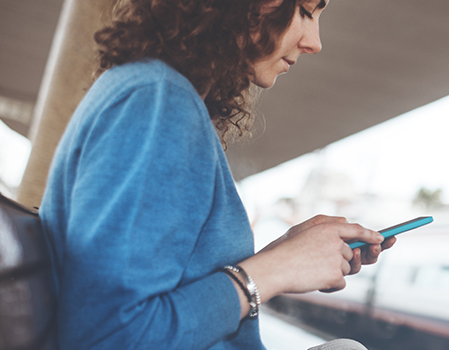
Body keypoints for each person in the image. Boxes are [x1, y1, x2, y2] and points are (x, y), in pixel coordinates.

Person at [37, 0, 394, 349]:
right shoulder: (158, 102)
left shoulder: (160, 96)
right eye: (303, 10)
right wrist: (275, 270)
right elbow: (109, 336)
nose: (314, 42)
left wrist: (288, 253)